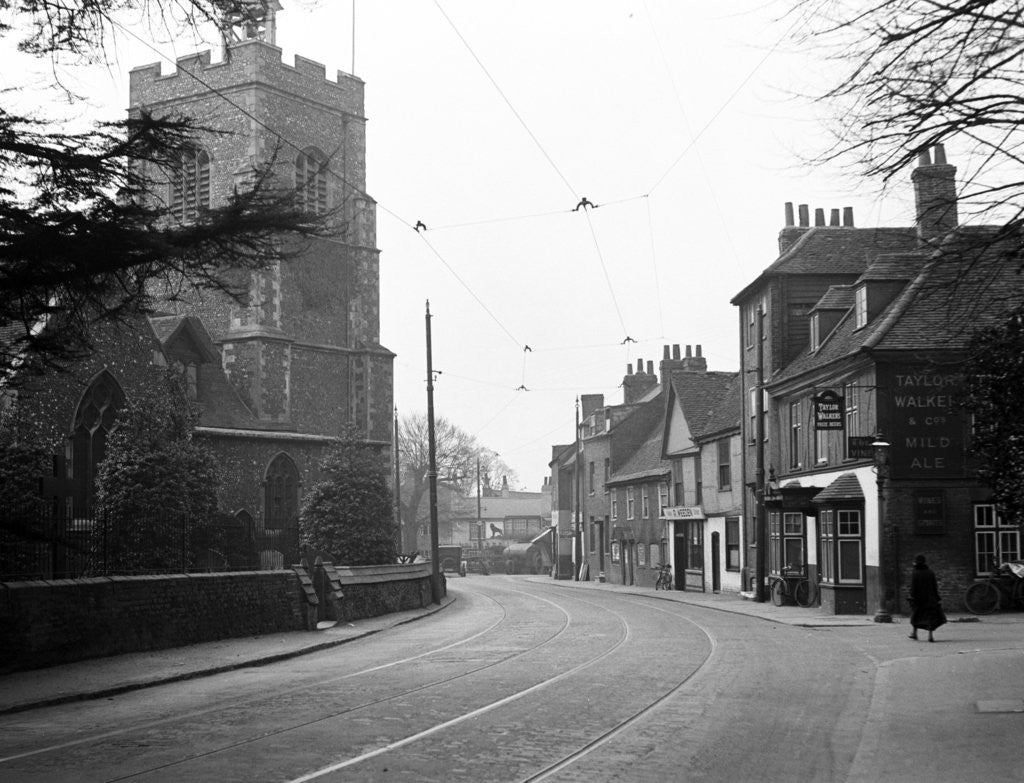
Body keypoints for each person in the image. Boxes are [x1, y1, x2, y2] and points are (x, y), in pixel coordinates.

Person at [908, 554, 945, 642]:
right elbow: (934, 586)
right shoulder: (930, 572)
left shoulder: (915, 573)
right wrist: (937, 598)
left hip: (918, 599)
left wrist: (912, 596)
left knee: (916, 616)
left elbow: (913, 587)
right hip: (930, 598)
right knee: (930, 617)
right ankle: (930, 636)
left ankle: (914, 633)